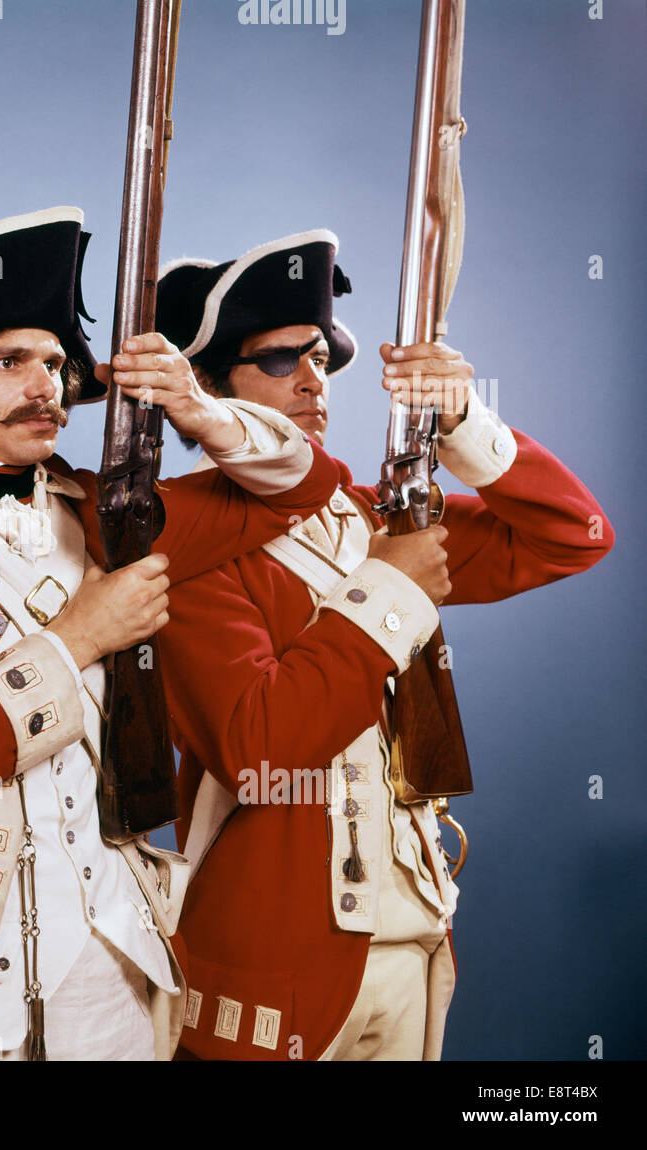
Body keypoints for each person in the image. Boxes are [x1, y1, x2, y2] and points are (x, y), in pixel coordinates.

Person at [0, 207, 341, 1060]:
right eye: (9, 361)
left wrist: (199, 410)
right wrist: (77, 639)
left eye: (54, 363)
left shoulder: (101, 512)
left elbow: (304, 484)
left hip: (119, 971)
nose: (46, 386)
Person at [154, 230, 614, 1060]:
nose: (311, 377)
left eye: (321, 358)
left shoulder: (375, 519)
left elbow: (574, 536)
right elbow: (258, 748)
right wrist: (390, 588)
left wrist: (465, 421)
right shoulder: (183, 539)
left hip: (416, 940)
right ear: (210, 389)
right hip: (272, 969)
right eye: (278, 358)